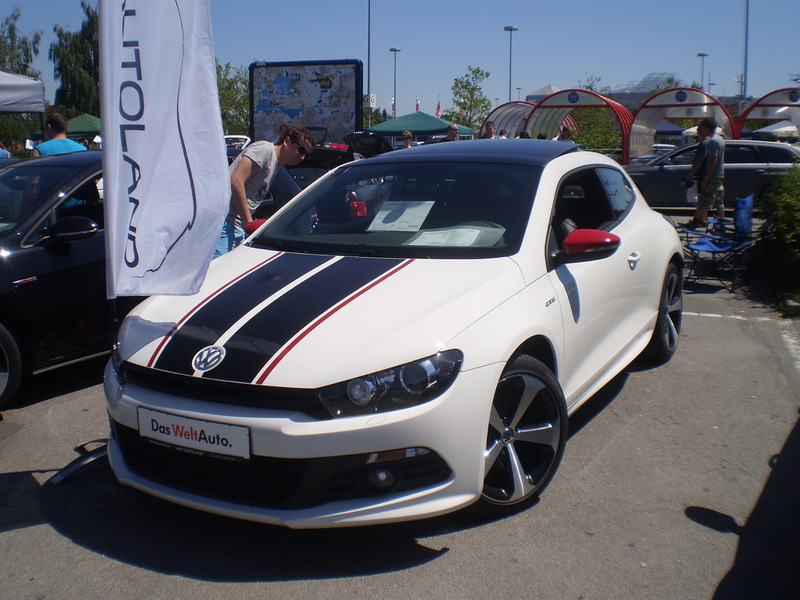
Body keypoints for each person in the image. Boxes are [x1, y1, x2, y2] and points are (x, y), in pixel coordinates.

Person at [215, 126, 316, 257]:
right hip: (226, 223)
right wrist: (249, 223)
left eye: (306, 155)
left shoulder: (276, 164)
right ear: (287, 141)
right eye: (301, 150)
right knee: (217, 268)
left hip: (237, 228)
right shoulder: (265, 150)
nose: (302, 157)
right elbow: (236, 180)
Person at [683, 119, 725, 229]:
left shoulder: (712, 141)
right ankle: (721, 223)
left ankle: (697, 221)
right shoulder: (720, 139)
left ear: (707, 129)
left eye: (701, 128)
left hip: (713, 174)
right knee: (718, 200)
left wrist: (706, 178)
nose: (699, 131)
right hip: (720, 173)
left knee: (705, 200)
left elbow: (714, 160)